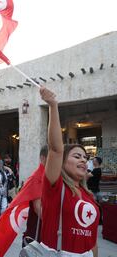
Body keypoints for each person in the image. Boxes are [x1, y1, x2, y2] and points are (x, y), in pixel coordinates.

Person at [40, 86, 99, 256]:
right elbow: (56, 149)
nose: (83, 159)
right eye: (76, 156)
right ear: (62, 163)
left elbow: (92, 240)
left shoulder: (88, 195)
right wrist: (52, 106)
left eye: (85, 157)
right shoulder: (55, 187)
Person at [22, 145, 48, 247]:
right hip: (38, 231)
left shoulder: (50, 175)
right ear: (42, 158)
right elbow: (38, 209)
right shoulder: (36, 178)